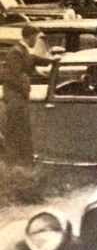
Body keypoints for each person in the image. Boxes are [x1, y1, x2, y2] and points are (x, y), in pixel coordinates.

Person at [2, 25, 56, 166]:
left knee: (22, 128)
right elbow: (10, 75)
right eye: (36, 37)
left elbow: (33, 60)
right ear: (30, 36)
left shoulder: (22, 50)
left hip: (19, 96)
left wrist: (51, 60)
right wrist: (24, 84)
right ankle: (14, 162)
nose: (36, 41)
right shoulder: (16, 52)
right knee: (16, 129)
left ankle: (21, 160)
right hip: (15, 97)